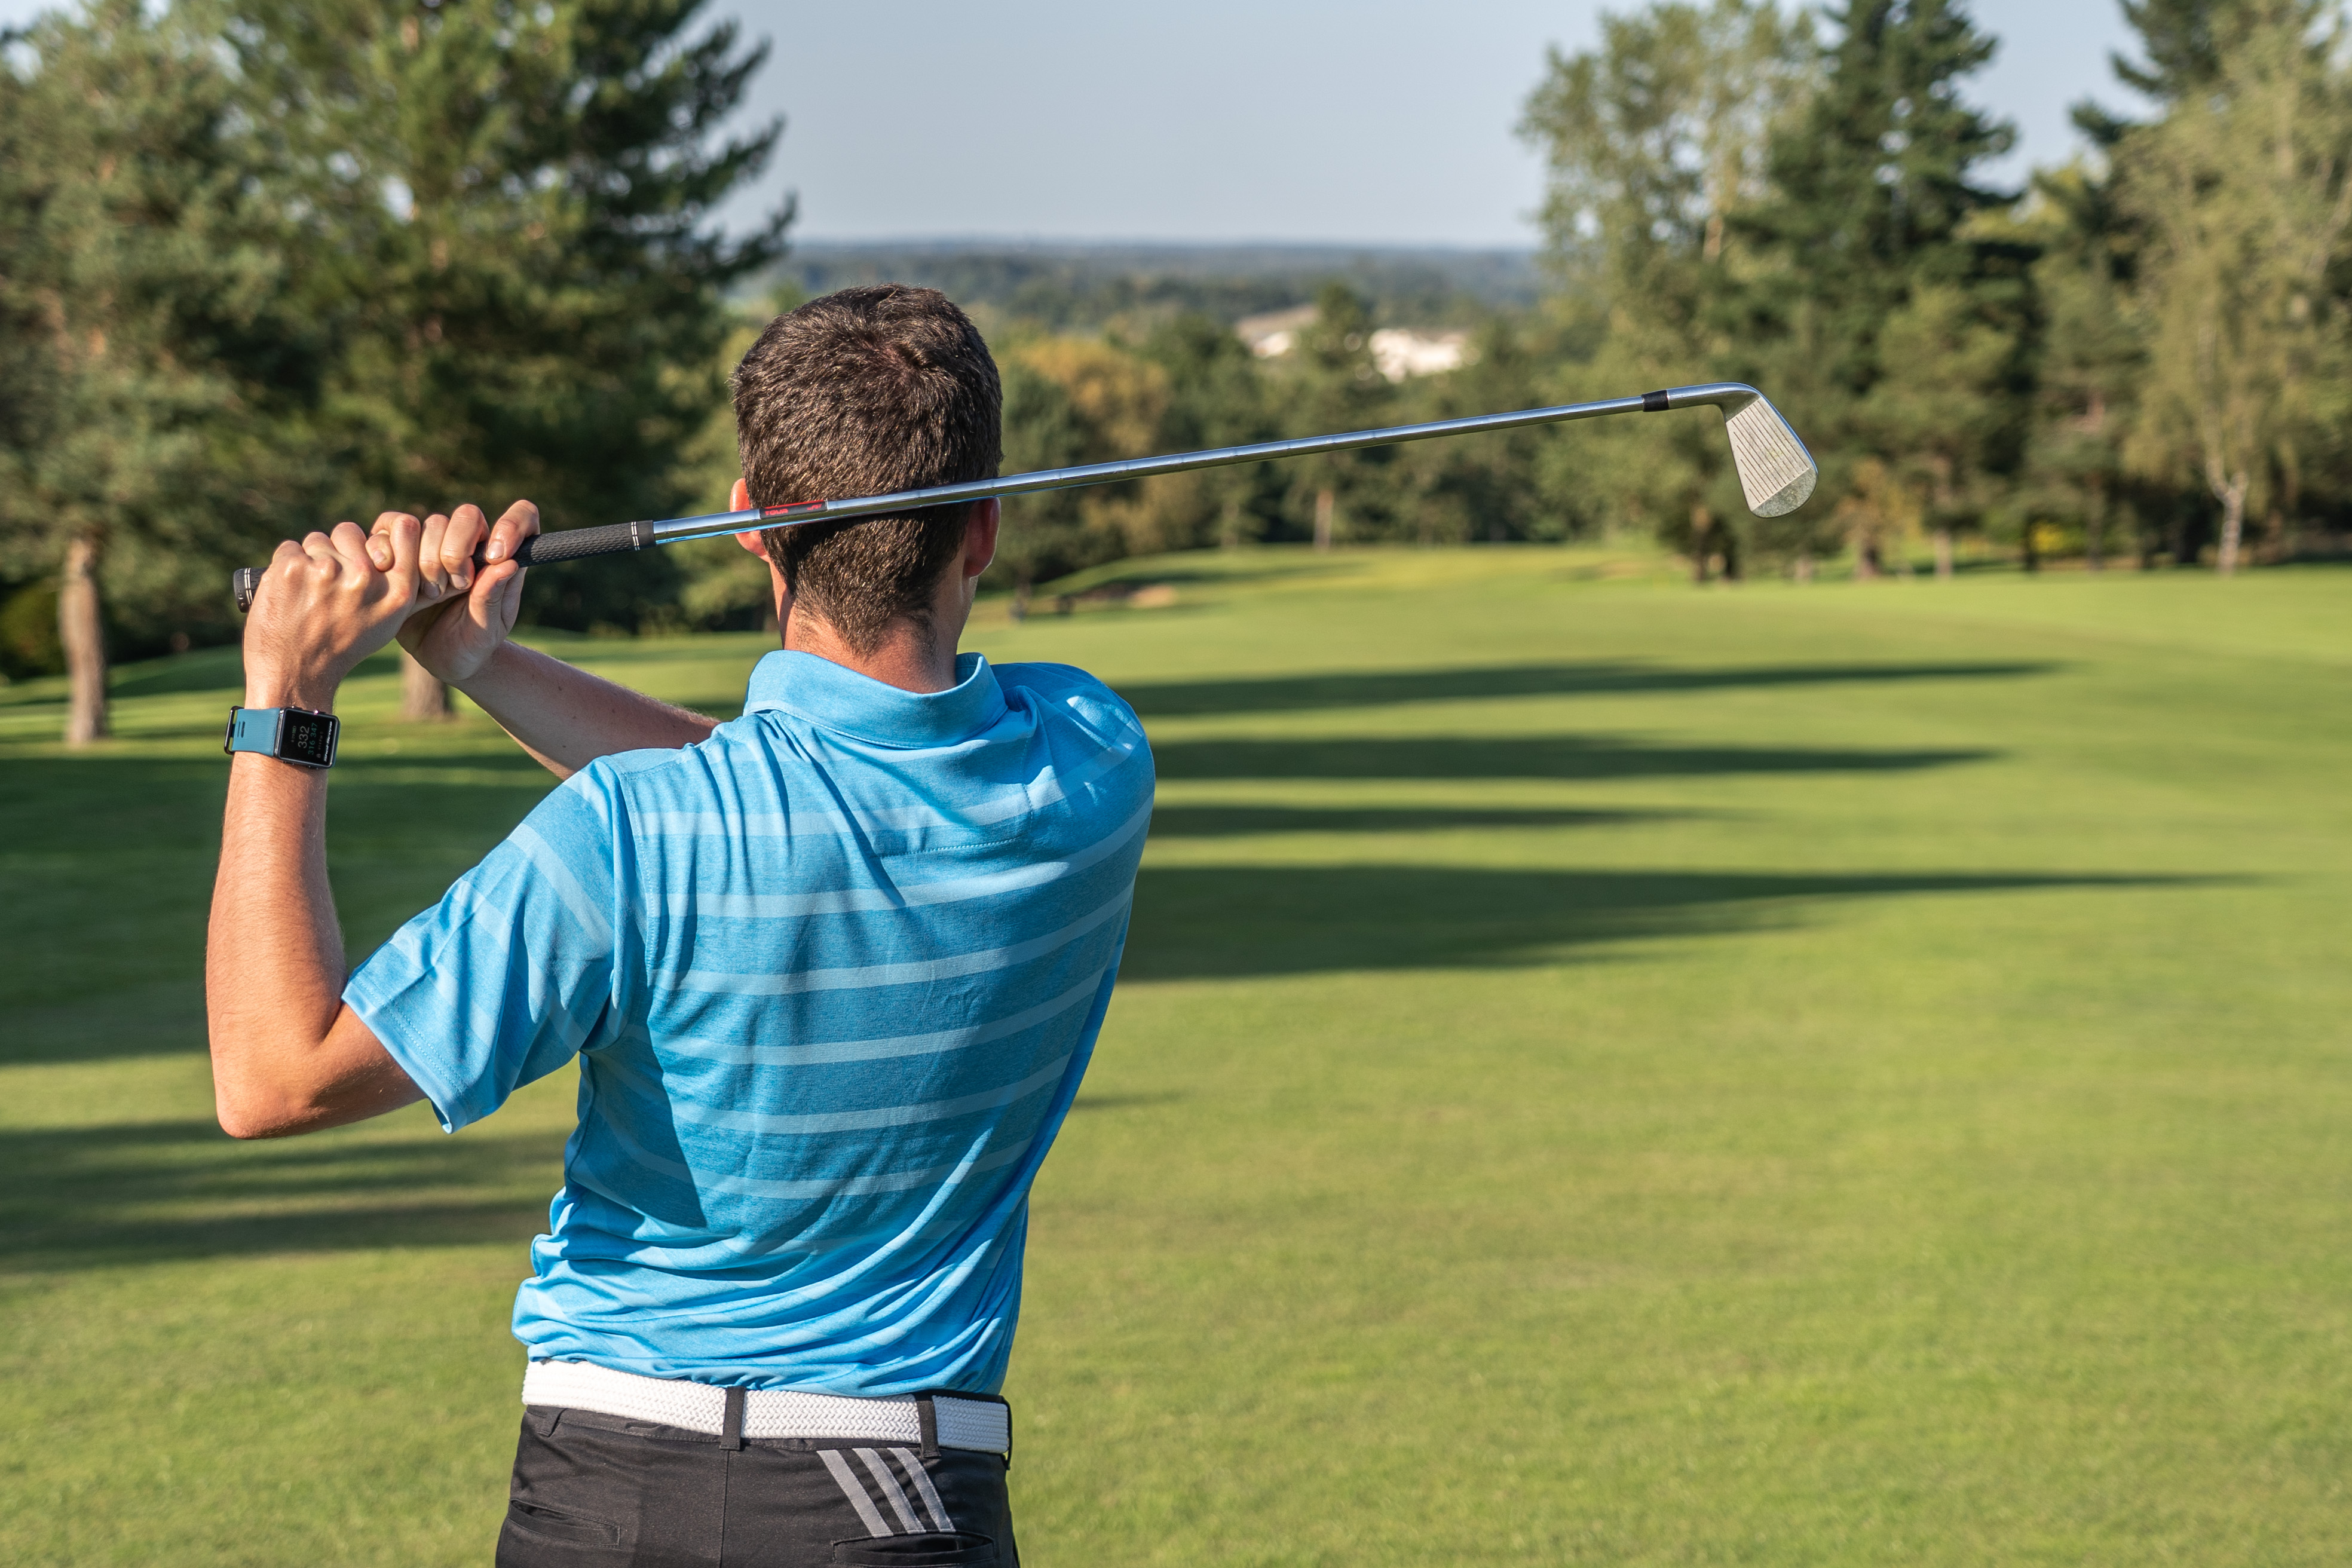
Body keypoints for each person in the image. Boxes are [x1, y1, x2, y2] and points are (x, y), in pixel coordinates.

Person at [205, 286, 1153, 1566]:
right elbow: (795, 788)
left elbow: (272, 1076)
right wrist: (480, 662)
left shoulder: (631, 836)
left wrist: (288, 693)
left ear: (753, 522)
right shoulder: (1092, 762)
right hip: (909, 1499)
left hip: (610, 1494)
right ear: (983, 528)